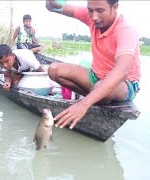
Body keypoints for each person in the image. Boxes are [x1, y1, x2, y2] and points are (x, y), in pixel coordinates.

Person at [45, 0, 141, 129]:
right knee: (54, 69)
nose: (94, 17)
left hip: (124, 84)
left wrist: (84, 104)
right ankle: (97, 98)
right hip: (95, 77)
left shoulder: (125, 31)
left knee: (101, 87)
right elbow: (52, 7)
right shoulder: (90, 15)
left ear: (115, 7)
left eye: (100, 11)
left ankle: (93, 98)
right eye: (90, 10)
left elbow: (121, 71)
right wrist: (52, 3)